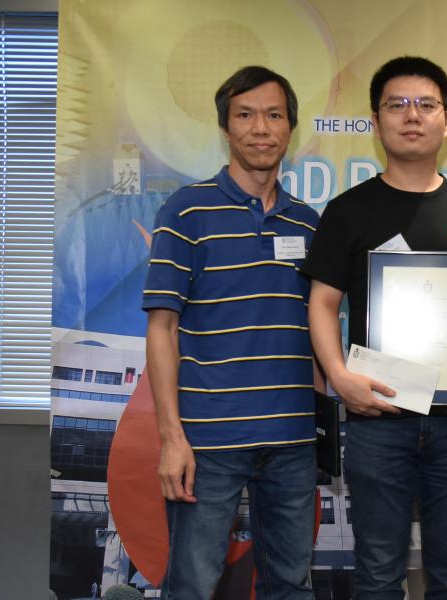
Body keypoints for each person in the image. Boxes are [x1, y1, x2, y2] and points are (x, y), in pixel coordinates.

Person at [304, 56, 447, 599]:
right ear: (376, 120)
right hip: (378, 417)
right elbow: (321, 303)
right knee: (377, 575)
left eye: (425, 105)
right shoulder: (348, 211)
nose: (411, 116)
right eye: (397, 105)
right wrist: (340, 378)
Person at [143, 65, 319, 599]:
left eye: (273, 115)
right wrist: (172, 436)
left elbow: (329, 326)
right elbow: (162, 327)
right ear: (225, 127)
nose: (260, 128)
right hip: (208, 443)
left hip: (292, 441)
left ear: (290, 127)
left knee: (290, 585)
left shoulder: (310, 224)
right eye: (245, 115)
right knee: (193, 586)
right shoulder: (186, 211)